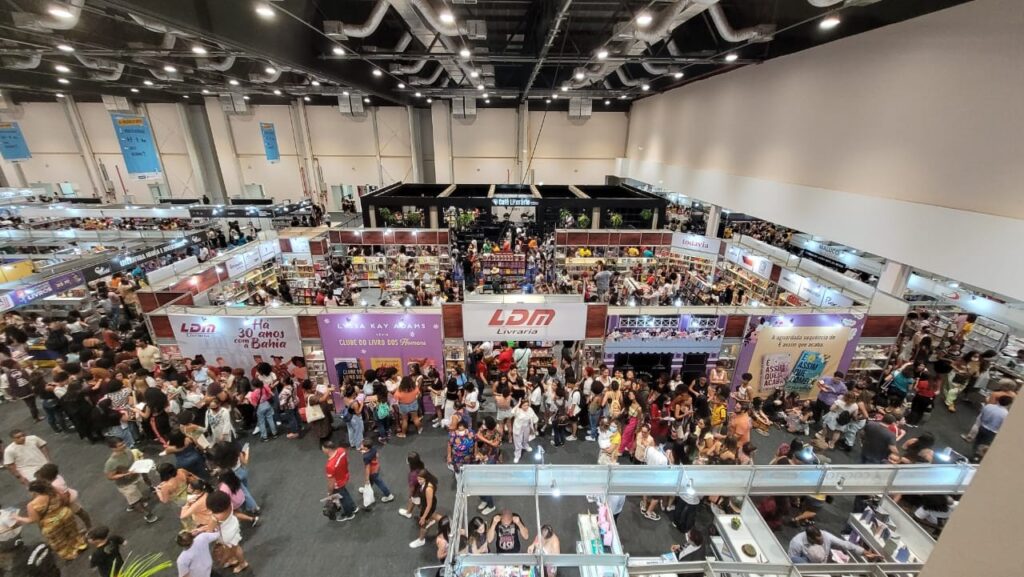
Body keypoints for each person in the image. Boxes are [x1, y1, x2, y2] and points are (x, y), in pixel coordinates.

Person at [14, 480, 87, 560]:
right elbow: (64, 500)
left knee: (59, 540)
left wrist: (18, 518)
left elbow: (34, 520)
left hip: (51, 523)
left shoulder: (32, 505)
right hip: (65, 514)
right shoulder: (54, 492)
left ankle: (70, 554)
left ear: (35, 492)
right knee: (73, 531)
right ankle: (80, 545)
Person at [103, 437, 159, 523]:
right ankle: (147, 514)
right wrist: (125, 474)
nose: (124, 445)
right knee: (135, 500)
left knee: (139, 494)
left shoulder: (128, 451)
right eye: (120, 445)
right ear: (113, 448)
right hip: (126, 484)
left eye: (123, 443)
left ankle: (133, 503)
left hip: (136, 477)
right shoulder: (111, 463)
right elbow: (110, 477)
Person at [34, 464, 91, 529]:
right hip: (65, 500)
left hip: (66, 501)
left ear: (48, 477)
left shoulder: (56, 485)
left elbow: (66, 495)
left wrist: (64, 505)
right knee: (76, 512)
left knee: (77, 512)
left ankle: (88, 526)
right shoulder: (57, 477)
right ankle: (86, 526)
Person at [206, 491, 249, 574]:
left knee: (236, 549)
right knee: (235, 547)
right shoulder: (229, 505)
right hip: (233, 525)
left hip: (226, 534)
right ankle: (233, 559)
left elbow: (209, 531)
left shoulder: (215, 517)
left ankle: (243, 563)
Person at [788, 526, 874, 563]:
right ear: (810, 538)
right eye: (818, 542)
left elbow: (844, 544)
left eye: (821, 539)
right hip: (806, 566)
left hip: (822, 567)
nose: (822, 543)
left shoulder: (825, 535)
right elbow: (792, 561)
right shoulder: (796, 543)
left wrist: (864, 552)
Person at [322, 440, 358, 522]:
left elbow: (331, 482)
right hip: (345, 476)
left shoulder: (330, 465)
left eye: (323, 448)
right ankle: (353, 508)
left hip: (338, 483)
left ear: (328, 449)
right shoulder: (341, 450)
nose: (322, 450)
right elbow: (347, 461)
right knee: (345, 493)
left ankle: (349, 514)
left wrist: (329, 493)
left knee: (343, 499)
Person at [409, 469, 443, 549]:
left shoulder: (428, 489)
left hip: (428, 506)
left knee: (422, 524)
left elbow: (429, 505)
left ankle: (421, 540)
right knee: (434, 515)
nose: (419, 481)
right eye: (418, 479)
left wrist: (423, 517)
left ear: (426, 478)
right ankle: (447, 522)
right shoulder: (426, 483)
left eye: (421, 479)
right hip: (428, 503)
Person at [359, 438, 395, 504]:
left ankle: (389, 495)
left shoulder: (366, 457)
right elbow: (377, 455)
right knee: (371, 481)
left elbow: (367, 468)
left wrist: (366, 479)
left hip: (372, 472)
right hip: (376, 467)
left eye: (362, 445)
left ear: (366, 448)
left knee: (379, 482)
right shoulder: (373, 449)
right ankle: (366, 489)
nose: (361, 446)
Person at [510, 398, 538, 463]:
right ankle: (517, 455)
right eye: (524, 405)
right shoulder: (518, 410)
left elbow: (534, 417)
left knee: (526, 438)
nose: (526, 407)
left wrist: (535, 426)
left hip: (527, 426)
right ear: (521, 405)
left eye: (527, 405)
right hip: (518, 427)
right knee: (518, 441)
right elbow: (512, 412)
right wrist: (518, 404)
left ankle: (525, 445)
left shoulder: (530, 409)